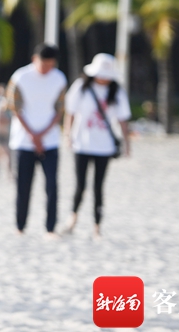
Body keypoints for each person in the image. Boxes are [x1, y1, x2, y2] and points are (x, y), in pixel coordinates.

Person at [62, 54, 131, 238]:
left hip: (105, 146)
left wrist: (127, 143)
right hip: (82, 144)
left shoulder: (117, 91)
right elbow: (70, 112)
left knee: (99, 187)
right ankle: (73, 218)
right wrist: (68, 134)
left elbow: (123, 119)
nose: (103, 78)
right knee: (80, 185)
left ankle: (97, 226)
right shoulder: (81, 87)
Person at [7, 44, 67, 237]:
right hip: (23, 140)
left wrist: (42, 134)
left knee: (52, 186)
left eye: (50, 64)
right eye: (43, 64)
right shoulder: (20, 77)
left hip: (50, 141)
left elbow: (59, 110)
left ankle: (50, 228)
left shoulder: (59, 78)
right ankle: (20, 226)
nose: (47, 68)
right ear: (34, 59)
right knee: (23, 186)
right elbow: (14, 107)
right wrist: (33, 135)